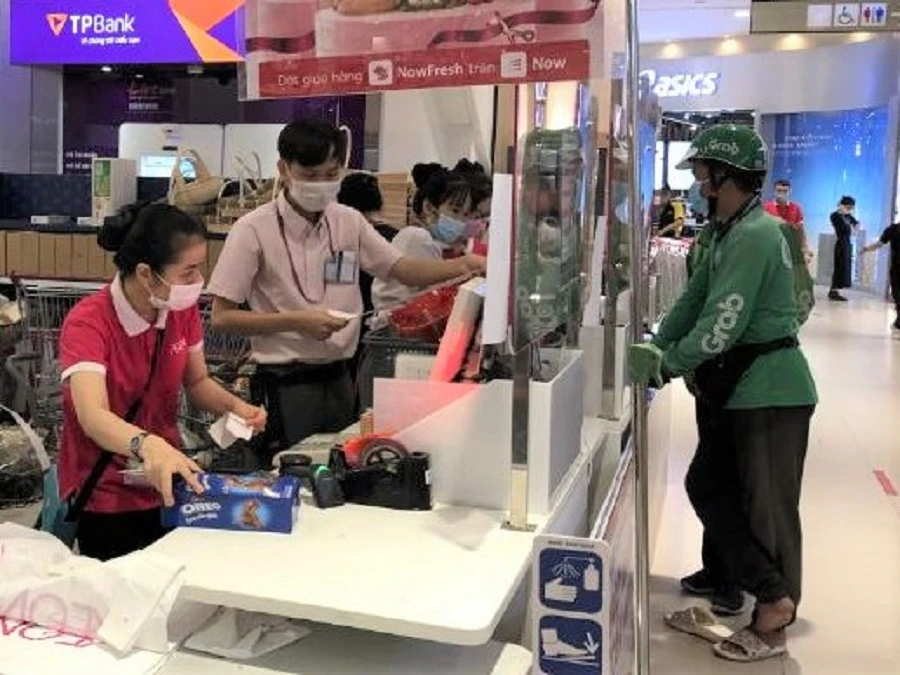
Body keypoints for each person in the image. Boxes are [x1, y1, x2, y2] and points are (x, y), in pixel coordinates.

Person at [630, 125, 818, 662]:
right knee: (710, 485)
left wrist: (668, 363)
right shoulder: (726, 233)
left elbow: (723, 321)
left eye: (701, 173)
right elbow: (694, 300)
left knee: (768, 511)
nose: (696, 184)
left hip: (771, 391)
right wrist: (658, 342)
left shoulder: (756, 235)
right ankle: (763, 591)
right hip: (739, 389)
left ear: (724, 176)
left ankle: (774, 617)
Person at [208, 120, 485, 456]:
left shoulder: (347, 221)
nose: (321, 185)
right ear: (283, 169)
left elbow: (401, 269)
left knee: (341, 466)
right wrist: (296, 321)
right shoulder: (252, 229)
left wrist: (464, 265)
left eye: (331, 174)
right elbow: (222, 317)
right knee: (291, 467)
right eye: (310, 176)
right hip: (286, 383)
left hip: (341, 376)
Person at [59, 203, 267, 561]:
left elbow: (197, 381)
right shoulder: (88, 322)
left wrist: (236, 407)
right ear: (146, 274)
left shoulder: (179, 310)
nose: (198, 281)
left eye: (200, 268)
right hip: (106, 494)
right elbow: (92, 416)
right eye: (188, 272)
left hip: (169, 482)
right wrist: (147, 444)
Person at [372, 165, 477, 312]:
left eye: (465, 214)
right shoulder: (417, 237)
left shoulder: (434, 242)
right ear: (429, 207)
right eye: (455, 210)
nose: (460, 221)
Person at [337, 172, 398, 314]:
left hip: (357, 321)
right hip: (389, 320)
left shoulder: (343, 243)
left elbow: (337, 293)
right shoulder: (399, 237)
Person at [861, 219, 900, 329]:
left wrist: (867, 249)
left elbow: (880, 243)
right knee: (897, 293)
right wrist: (867, 249)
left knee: (897, 293)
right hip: (896, 268)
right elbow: (880, 243)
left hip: (897, 268)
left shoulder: (893, 229)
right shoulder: (892, 229)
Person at [764, 179, 812, 261]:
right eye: (779, 190)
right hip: (770, 247)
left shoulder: (796, 208)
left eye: (785, 191)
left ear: (790, 191)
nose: (782, 193)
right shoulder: (766, 208)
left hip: (790, 249)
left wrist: (805, 249)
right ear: (774, 191)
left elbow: (800, 231)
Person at [829, 196, 858, 301]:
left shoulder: (848, 216)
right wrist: (841, 212)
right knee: (839, 267)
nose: (850, 209)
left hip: (847, 243)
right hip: (841, 244)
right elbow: (839, 227)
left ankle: (836, 290)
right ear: (843, 205)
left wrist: (854, 227)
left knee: (845, 267)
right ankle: (833, 291)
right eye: (848, 207)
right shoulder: (834, 215)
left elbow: (856, 224)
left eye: (851, 208)